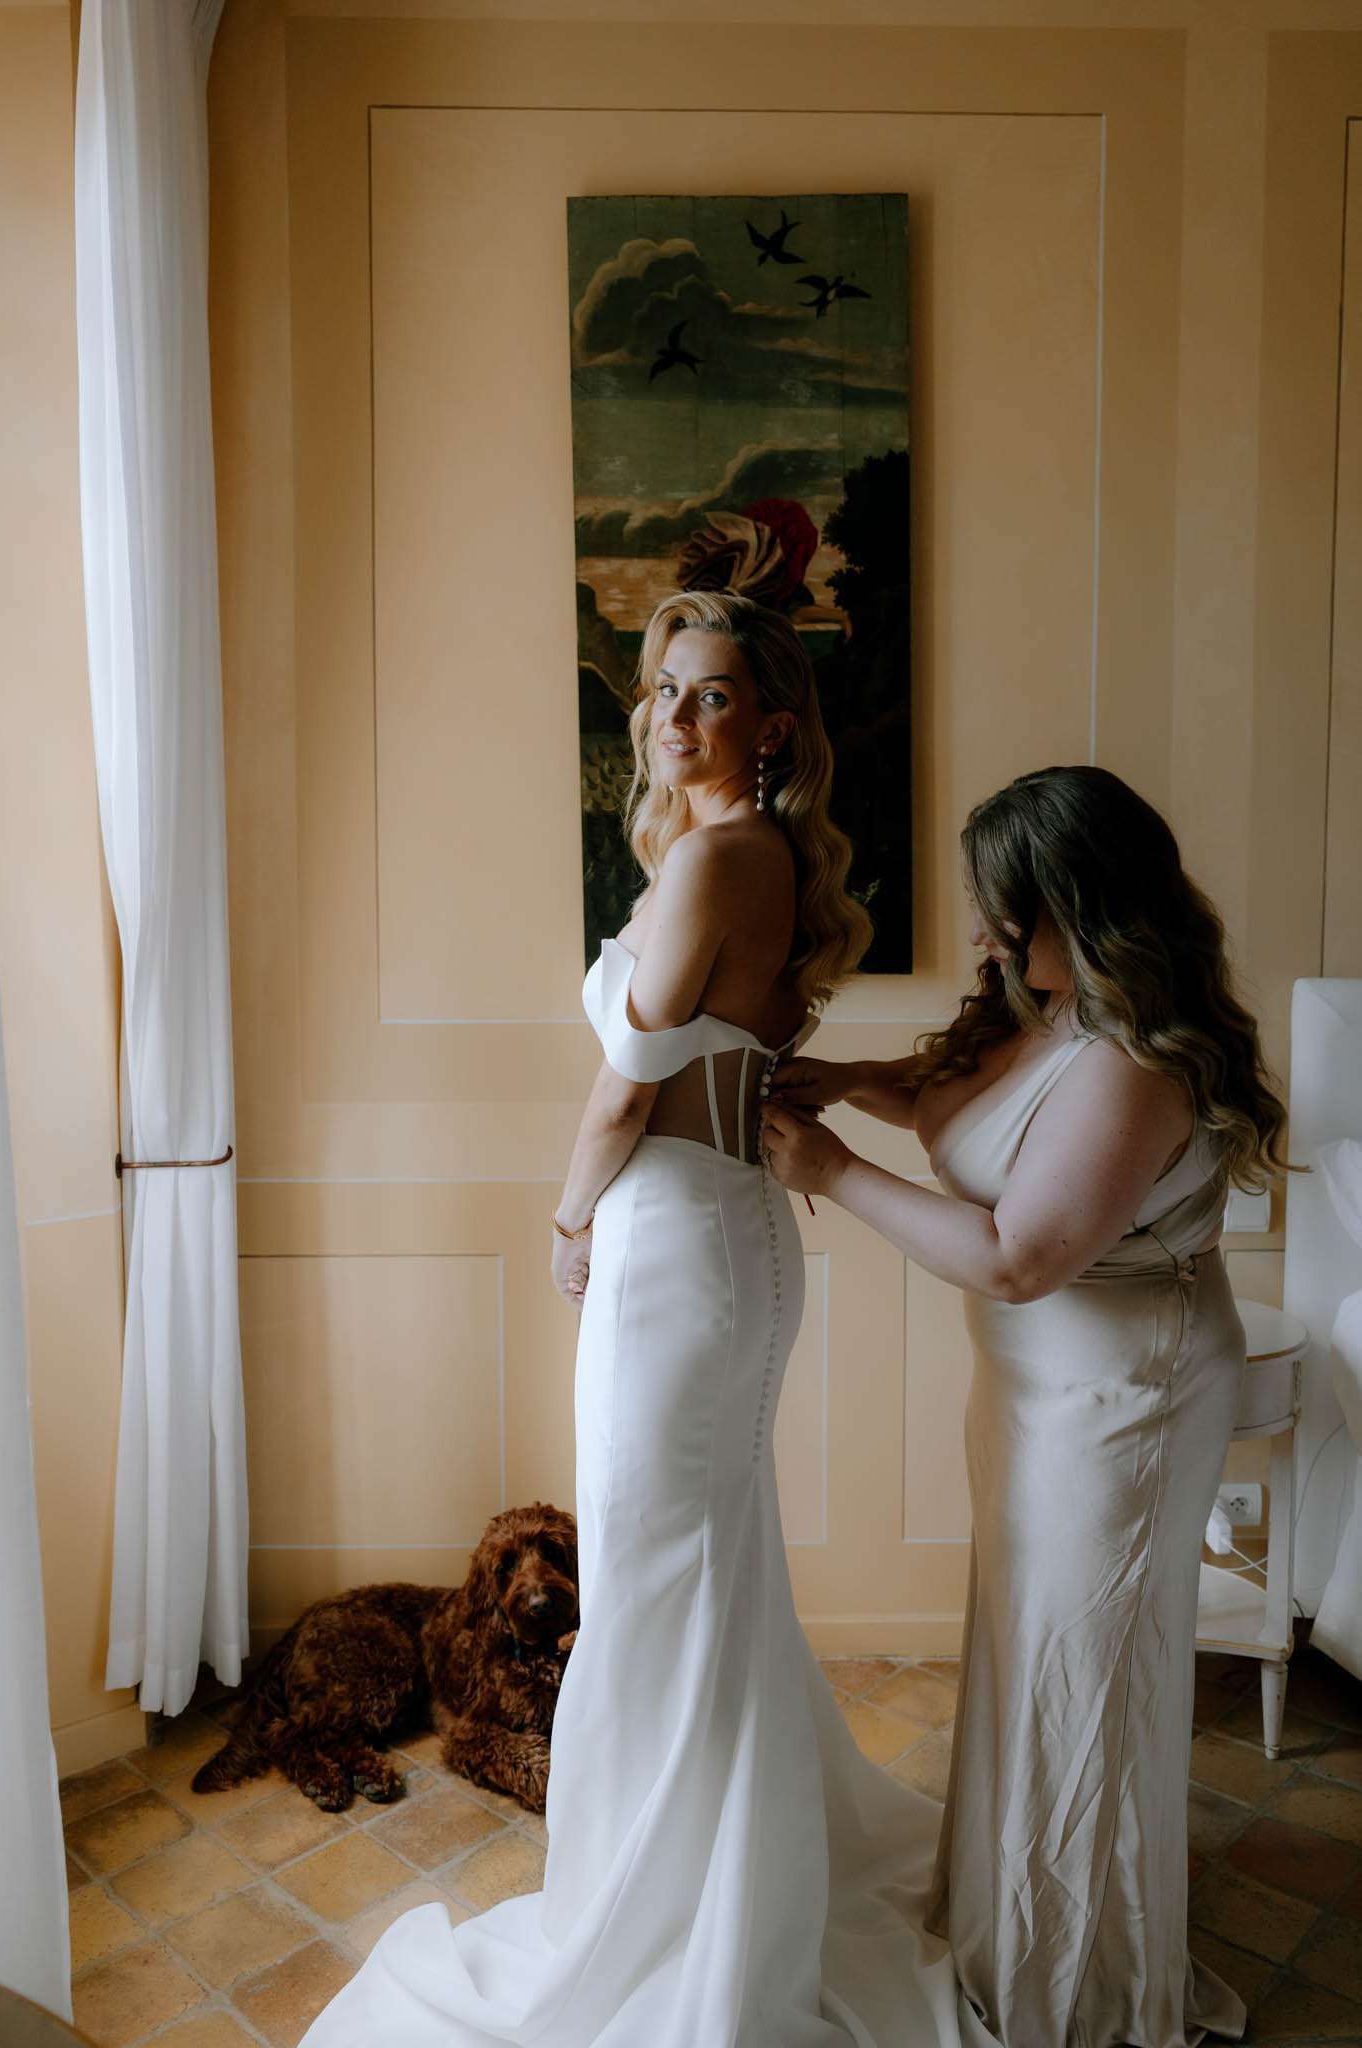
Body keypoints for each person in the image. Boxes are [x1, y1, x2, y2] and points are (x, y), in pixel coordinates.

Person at [298, 589, 963, 2047]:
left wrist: (563, 1219)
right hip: (722, 1239)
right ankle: (725, 1881)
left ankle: (659, 1922)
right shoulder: (752, 855)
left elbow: (623, 1091)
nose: (674, 714)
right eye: (664, 688)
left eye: (711, 694)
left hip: (673, 1246)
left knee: (659, 1592)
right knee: (702, 1580)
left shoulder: (723, 856)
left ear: (769, 725)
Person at [762, 764, 1288, 2048]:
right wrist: (853, 1084)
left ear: (1090, 906)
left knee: (1084, 1675)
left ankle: (1079, 1990)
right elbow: (973, 1109)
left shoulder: (1140, 1057)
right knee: (1030, 1656)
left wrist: (832, 1166)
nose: (992, 937)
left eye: (1013, 913)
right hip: (1036, 1392)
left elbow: (1019, 1252)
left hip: (1123, 1402)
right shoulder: (1044, 1005)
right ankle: (1014, 1920)